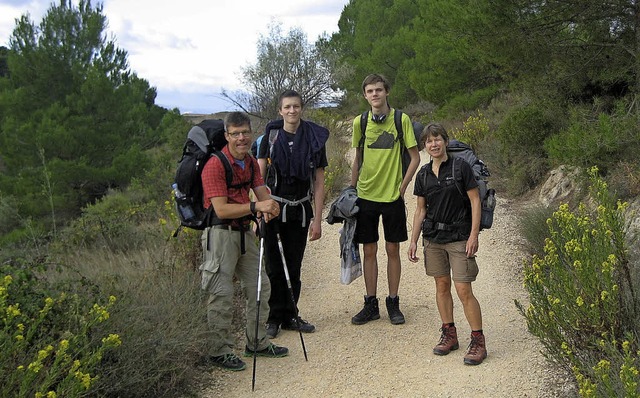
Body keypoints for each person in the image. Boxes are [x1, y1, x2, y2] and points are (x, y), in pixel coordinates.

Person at [200, 111, 288, 371]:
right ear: (226, 136)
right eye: (235, 134)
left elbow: (262, 193)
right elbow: (221, 210)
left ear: (251, 133)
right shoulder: (214, 165)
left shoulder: (249, 162)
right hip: (219, 235)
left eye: (245, 133)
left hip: (244, 233)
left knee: (259, 286)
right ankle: (219, 351)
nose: (241, 138)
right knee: (221, 293)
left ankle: (257, 343)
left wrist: (270, 207)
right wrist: (256, 206)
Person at [407, 122, 487, 366]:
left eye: (437, 139)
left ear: (446, 141)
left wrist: (474, 235)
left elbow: (475, 201)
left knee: (464, 290)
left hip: (459, 237)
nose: (434, 144)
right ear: (424, 146)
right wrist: (413, 240)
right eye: (429, 141)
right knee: (441, 285)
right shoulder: (423, 174)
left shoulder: (461, 167)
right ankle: (449, 333)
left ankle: (478, 340)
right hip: (433, 239)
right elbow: (420, 210)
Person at [257, 90, 329, 338]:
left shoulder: (314, 139)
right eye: (287, 107)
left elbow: (319, 183)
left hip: (300, 209)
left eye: (296, 106)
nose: (292, 111)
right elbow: (258, 177)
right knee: (274, 266)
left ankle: (290, 314)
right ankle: (273, 317)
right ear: (280, 110)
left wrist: (317, 219)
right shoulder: (270, 137)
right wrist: (259, 209)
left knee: (294, 265)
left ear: (301, 108)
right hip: (273, 208)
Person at [350, 74, 420, 325]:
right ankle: (371, 303)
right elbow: (357, 156)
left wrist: (402, 187)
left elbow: (415, 157)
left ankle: (393, 302)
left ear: (387, 92)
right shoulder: (360, 122)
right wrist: (351, 187)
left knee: (393, 249)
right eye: (370, 91)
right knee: (369, 249)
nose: (375, 94)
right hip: (366, 195)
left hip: (392, 197)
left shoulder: (401, 120)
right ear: (365, 95)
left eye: (379, 90)